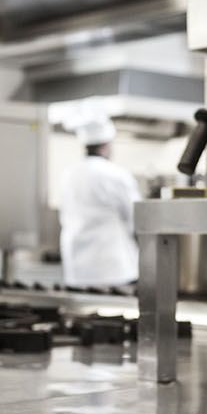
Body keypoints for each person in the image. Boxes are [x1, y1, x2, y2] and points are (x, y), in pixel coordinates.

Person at [59, 117, 142, 287]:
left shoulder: (69, 174)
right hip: (111, 264)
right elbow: (136, 216)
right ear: (105, 146)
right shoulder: (116, 174)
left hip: (76, 266)